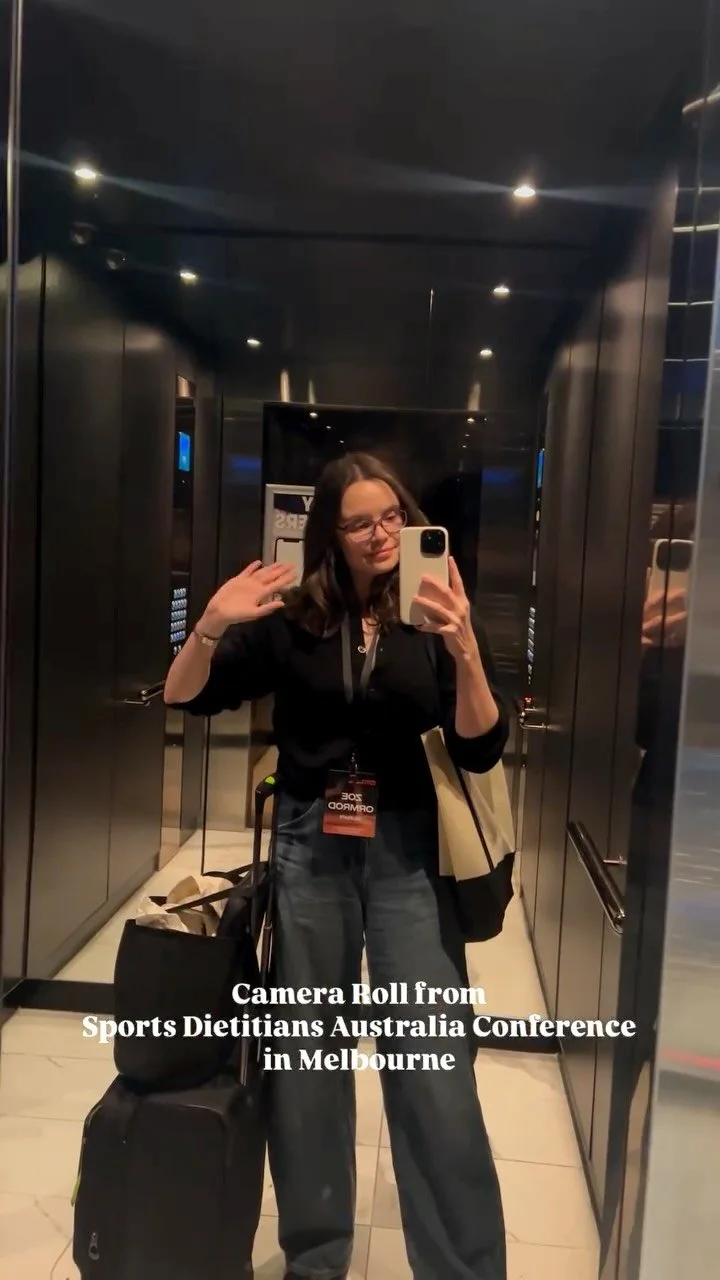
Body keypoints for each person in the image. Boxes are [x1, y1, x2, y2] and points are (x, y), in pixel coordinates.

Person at [164, 452, 508, 1280]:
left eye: (391, 516)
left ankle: (462, 1267)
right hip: (310, 843)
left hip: (409, 852)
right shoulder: (293, 616)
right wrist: (209, 624)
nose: (381, 535)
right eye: (359, 523)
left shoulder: (435, 605)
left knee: (433, 1067)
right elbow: (185, 695)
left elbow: (481, 744)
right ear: (331, 534)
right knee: (307, 1062)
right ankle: (315, 1259)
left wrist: (464, 649)